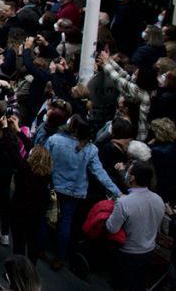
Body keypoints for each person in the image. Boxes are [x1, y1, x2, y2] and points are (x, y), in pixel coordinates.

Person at [44, 114, 121, 269]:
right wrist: (117, 192)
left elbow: (44, 160)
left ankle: (40, 248)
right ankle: (59, 257)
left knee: (47, 217)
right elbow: (100, 173)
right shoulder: (90, 149)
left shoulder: (55, 140)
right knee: (65, 223)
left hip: (54, 187)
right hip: (74, 192)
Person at [106, 160, 166, 291]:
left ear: (132, 177)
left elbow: (111, 227)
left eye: (128, 172)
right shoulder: (158, 199)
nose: (126, 174)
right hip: (148, 251)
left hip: (128, 253)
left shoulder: (123, 202)